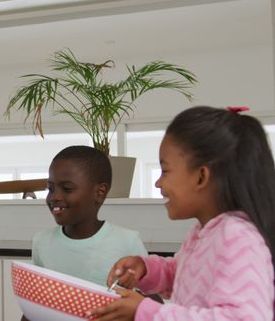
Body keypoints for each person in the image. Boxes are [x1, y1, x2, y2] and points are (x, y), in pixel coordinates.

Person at [88, 106, 275, 320]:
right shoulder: (205, 233)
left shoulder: (236, 237)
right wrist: (146, 269)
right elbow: (183, 275)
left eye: (165, 170)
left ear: (201, 177)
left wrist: (148, 312)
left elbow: (243, 317)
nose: (158, 182)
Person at [21, 146, 148, 320]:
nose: (54, 197)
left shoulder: (127, 242)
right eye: (50, 188)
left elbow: (149, 302)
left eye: (67, 188)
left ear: (99, 192)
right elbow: (35, 304)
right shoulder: (41, 242)